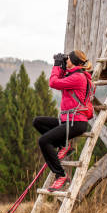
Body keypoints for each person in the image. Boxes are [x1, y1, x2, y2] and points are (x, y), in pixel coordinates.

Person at [33, 50, 93, 192]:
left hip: (76, 123)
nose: (66, 61)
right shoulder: (74, 74)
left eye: (68, 59)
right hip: (68, 121)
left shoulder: (78, 77)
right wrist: (61, 66)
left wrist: (56, 65)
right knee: (38, 121)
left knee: (44, 141)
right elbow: (59, 78)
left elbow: (53, 82)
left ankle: (61, 176)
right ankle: (64, 145)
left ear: (74, 61)